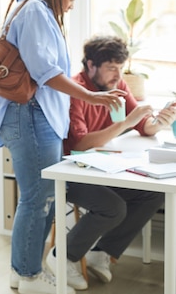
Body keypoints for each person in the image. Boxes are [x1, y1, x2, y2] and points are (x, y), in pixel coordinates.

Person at [0, 0, 125, 294]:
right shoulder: (35, 10)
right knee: (39, 199)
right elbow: (45, 72)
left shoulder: (35, 10)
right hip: (31, 116)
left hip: (33, 116)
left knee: (39, 198)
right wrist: (91, 96)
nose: (71, 5)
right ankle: (30, 276)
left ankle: (22, 272)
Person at [45, 35, 170, 289]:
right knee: (114, 208)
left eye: (120, 68)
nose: (117, 74)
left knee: (152, 194)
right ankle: (61, 256)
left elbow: (143, 126)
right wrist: (125, 123)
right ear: (91, 65)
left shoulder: (118, 85)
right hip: (72, 171)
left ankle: (100, 252)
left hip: (105, 169)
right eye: (111, 67)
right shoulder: (76, 90)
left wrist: (159, 123)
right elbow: (80, 144)